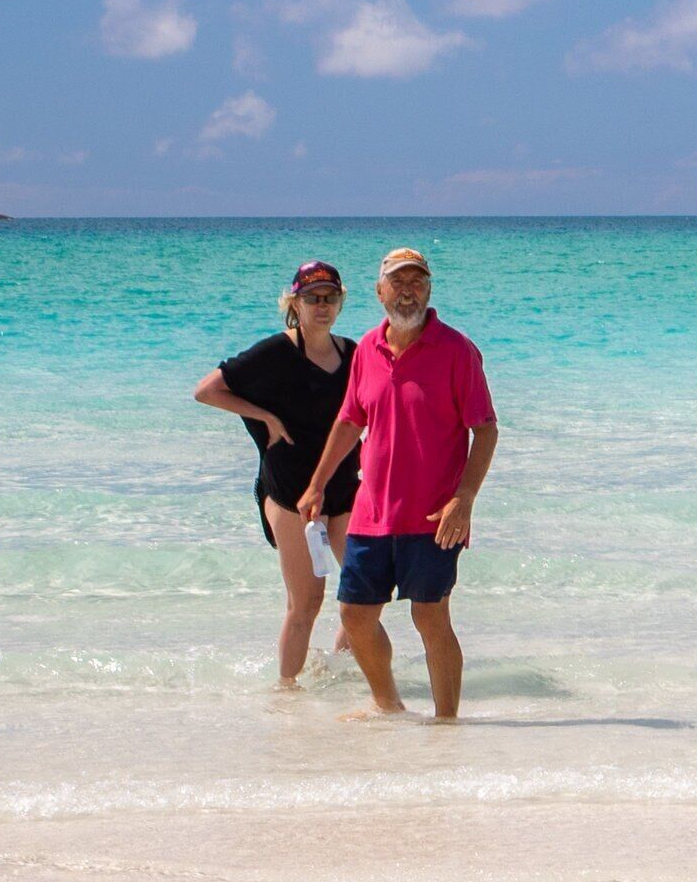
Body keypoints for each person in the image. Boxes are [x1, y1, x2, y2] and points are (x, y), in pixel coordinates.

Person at [299, 248, 498, 720]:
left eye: (417, 282)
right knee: (355, 616)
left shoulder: (456, 350)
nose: (408, 290)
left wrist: (464, 499)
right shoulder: (367, 347)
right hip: (371, 513)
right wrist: (318, 484)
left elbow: (485, 428)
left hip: (434, 516)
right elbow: (350, 419)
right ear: (379, 290)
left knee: (430, 616)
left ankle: (447, 721)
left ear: (429, 289)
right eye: (398, 282)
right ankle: (387, 705)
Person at [193, 261, 360, 687]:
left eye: (330, 297)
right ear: (294, 303)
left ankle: (340, 669)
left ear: (341, 302)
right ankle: (287, 695)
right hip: (289, 492)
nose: (322, 306)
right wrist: (264, 416)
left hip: (344, 488)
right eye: (312, 298)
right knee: (307, 601)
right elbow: (207, 390)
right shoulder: (276, 352)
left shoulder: (353, 353)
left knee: (365, 592)